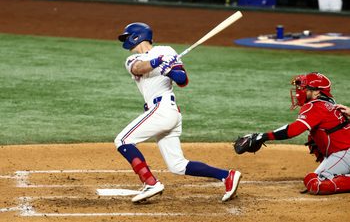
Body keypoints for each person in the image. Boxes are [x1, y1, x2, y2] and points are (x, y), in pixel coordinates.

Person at [115, 22, 241, 203]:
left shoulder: (167, 50)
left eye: (127, 37)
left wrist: (170, 70)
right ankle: (227, 176)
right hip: (163, 113)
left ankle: (151, 183)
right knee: (177, 165)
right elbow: (138, 68)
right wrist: (158, 62)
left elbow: (182, 80)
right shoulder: (132, 60)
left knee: (122, 140)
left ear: (137, 36)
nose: (125, 41)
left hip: (164, 110)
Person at [235, 72, 350, 195]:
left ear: (317, 92)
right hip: (343, 153)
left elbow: (294, 130)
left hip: (344, 153)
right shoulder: (327, 103)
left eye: (304, 88)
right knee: (313, 138)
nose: (299, 91)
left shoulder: (316, 106)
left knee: (315, 183)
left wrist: (264, 136)